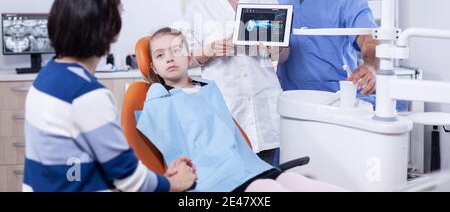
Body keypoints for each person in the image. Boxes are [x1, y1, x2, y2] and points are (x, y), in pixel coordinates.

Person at [23, 0, 197, 192]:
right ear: (111, 27)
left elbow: (76, 166)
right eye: (120, 12)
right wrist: (173, 183)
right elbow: (130, 180)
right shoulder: (86, 94)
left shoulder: (46, 77)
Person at [136, 27, 345, 192]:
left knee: (306, 184)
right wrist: (153, 84)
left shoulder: (208, 87)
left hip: (249, 167)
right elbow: (163, 129)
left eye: (176, 50)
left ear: (189, 55)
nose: (170, 58)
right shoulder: (159, 98)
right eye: (160, 55)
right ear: (153, 67)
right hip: (216, 179)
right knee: (268, 188)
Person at [183, 0, 286, 165]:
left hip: (264, 107)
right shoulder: (199, 5)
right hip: (224, 107)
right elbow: (185, 60)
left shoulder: (267, 0)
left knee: (267, 182)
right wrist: (208, 51)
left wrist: (274, 49)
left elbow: (283, 54)